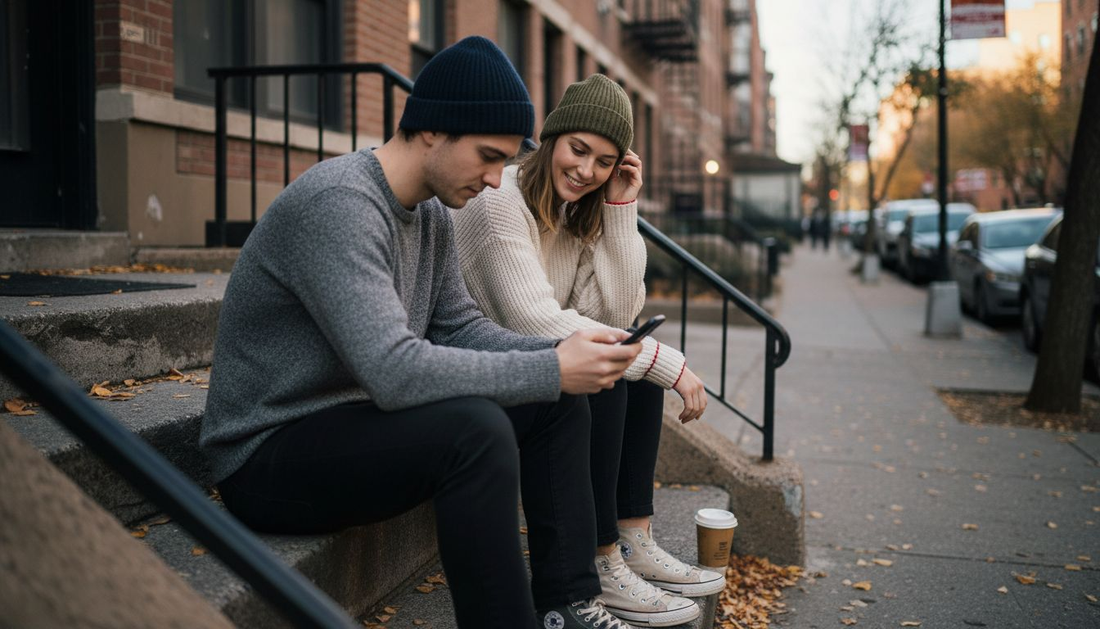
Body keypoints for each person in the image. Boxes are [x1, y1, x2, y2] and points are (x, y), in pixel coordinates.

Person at [199, 37, 644, 629]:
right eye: (488, 156)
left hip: (349, 422)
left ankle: (568, 605)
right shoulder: (340, 203)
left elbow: (458, 326)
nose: (494, 180)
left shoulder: (432, 211)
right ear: (433, 130)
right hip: (268, 453)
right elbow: (394, 370)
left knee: (556, 401)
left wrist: (560, 354)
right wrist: (550, 365)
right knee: (479, 429)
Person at [452, 74, 725, 628]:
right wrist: (666, 363)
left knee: (628, 363)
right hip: (473, 364)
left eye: (604, 162)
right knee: (617, 369)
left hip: (522, 362)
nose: (586, 171)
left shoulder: (573, 212)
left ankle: (630, 539)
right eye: (578, 150)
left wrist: (621, 207)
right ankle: (601, 558)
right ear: (551, 139)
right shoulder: (498, 199)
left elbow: (614, 316)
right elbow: (535, 321)